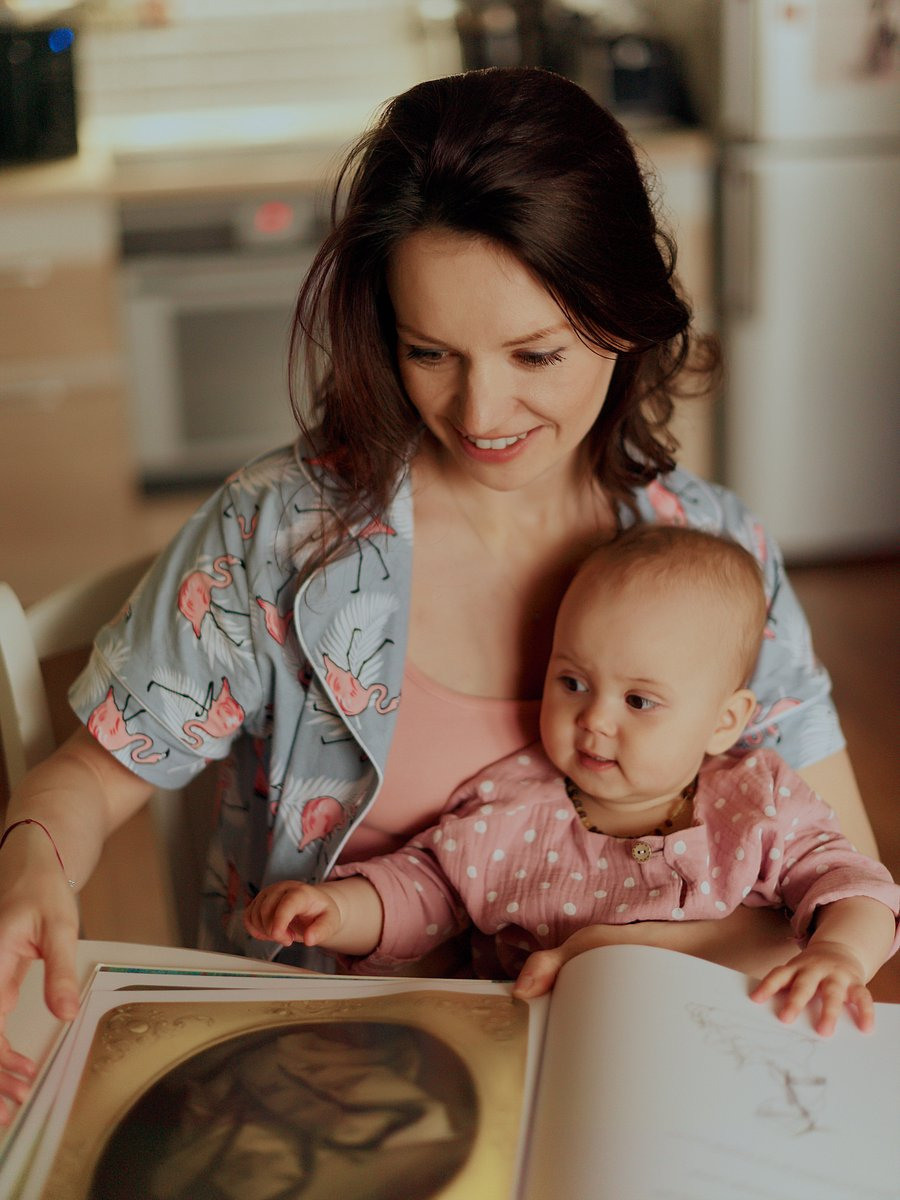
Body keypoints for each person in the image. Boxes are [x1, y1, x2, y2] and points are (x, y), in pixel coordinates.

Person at [0, 67, 882, 1116]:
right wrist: (31, 861)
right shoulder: (278, 537)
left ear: (624, 313)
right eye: (430, 353)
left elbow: (845, 886)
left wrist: (615, 959)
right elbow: (92, 780)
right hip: (335, 1087)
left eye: (536, 353)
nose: (481, 408)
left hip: (656, 1076)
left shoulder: (713, 550)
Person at [243, 527, 899, 1037]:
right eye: (573, 683)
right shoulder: (511, 805)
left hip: (738, 1044)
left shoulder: (758, 801)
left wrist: (839, 953)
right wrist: (338, 910)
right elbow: (426, 890)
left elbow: (852, 885)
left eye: (639, 701)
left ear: (724, 721)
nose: (595, 721)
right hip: (548, 1058)